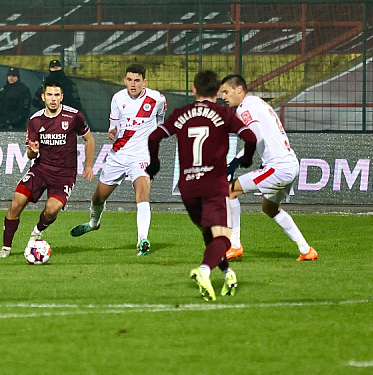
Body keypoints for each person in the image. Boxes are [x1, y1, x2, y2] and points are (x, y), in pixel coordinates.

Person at [146, 70, 257, 300]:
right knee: (224, 238)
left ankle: (227, 272)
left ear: (194, 90)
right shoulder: (224, 113)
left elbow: (153, 137)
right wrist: (246, 159)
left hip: (187, 187)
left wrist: (154, 165)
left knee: (209, 233)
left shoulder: (180, 113)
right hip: (213, 184)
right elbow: (251, 138)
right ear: (218, 91)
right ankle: (204, 270)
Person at [220, 74, 318, 261]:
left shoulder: (245, 107)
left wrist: (237, 161)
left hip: (278, 167)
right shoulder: (258, 103)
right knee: (270, 208)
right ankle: (306, 250)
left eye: (226, 91)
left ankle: (235, 245)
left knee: (229, 191)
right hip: (290, 164)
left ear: (239, 89)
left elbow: (256, 135)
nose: (223, 96)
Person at [70, 64, 167, 255]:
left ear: (144, 82)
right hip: (119, 155)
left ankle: (142, 240)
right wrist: (112, 132)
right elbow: (113, 127)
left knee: (142, 195)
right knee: (98, 197)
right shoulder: (118, 98)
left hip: (142, 156)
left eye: (137, 80)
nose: (133, 84)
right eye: (129, 80)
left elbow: (161, 120)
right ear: (125, 80)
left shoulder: (157, 99)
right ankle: (93, 223)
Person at [0, 79, 95, 258]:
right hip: (41, 169)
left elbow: (90, 139)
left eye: (57, 95)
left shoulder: (73, 117)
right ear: (43, 97)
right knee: (16, 202)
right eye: (49, 95)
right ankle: (6, 247)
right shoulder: (35, 120)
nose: (53, 99)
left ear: (62, 97)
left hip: (64, 174)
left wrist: (88, 165)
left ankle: (37, 232)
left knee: (51, 210)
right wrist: (32, 151)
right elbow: (30, 155)